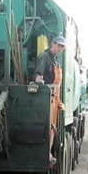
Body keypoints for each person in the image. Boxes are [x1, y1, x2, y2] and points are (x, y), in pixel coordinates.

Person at [32, 36, 66, 165]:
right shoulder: (44, 57)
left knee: (52, 128)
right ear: (53, 44)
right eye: (59, 46)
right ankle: (46, 154)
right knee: (48, 127)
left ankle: (49, 153)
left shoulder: (55, 61)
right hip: (48, 97)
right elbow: (37, 74)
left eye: (62, 48)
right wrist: (38, 79)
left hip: (55, 98)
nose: (60, 50)